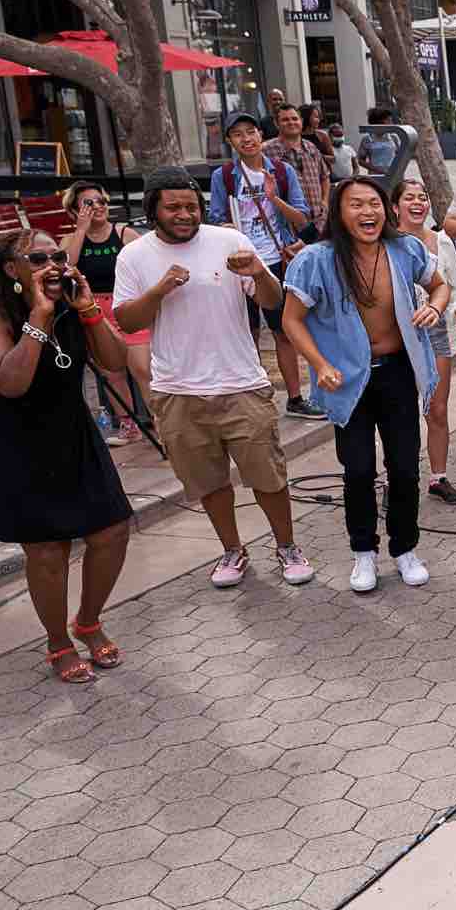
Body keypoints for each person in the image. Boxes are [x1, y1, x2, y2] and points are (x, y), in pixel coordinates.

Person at [112, 168, 316, 589]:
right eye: (173, 207)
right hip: (177, 392)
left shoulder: (229, 241)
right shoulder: (134, 257)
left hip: (241, 383)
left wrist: (259, 272)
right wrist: (159, 290)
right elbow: (126, 320)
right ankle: (232, 550)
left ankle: (287, 547)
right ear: (153, 209)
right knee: (209, 483)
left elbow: (273, 300)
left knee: (268, 476)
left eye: (190, 206)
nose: (184, 214)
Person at [0, 231, 134, 682]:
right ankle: (57, 642)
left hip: (72, 431)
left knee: (112, 531)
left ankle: (88, 621)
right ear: (12, 269)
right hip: (18, 441)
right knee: (48, 548)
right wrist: (39, 316)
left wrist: (89, 309)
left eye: (57, 255)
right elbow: (9, 382)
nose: (52, 265)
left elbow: (114, 361)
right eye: (37, 258)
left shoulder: (73, 302)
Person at [282, 176, 448, 593]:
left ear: (387, 209)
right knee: (357, 470)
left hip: (397, 373)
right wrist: (319, 364)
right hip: (346, 379)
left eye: (374, 203)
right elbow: (291, 320)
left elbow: (440, 285)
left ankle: (405, 549)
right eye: (356, 205)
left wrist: (435, 307)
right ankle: (363, 553)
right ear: (339, 212)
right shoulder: (316, 259)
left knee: (406, 467)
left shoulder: (406, 248)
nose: (367, 212)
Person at [207, 110, 323, 420]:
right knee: (247, 331)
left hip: (276, 261)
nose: (246, 139)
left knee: (284, 330)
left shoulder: (281, 172)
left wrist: (274, 198)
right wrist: (227, 230)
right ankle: (254, 395)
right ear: (231, 141)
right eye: (238, 134)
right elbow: (216, 216)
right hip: (240, 262)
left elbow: (302, 218)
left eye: (251, 132)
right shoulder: (225, 176)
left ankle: (296, 398)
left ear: (261, 136)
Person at [392, 179, 456, 506]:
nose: (417, 203)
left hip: (435, 333)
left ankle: (438, 478)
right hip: (395, 337)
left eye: (422, 197)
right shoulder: (384, 243)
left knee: (436, 409)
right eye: (409, 197)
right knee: (399, 413)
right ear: (395, 207)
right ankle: (398, 479)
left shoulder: (442, 241)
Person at [61, 181, 149, 446]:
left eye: (100, 201)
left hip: (126, 305)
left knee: (142, 368)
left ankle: (162, 421)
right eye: (88, 203)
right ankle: (127, 424)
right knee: (112, 372)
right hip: (95, 309)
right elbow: (67, 267)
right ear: (75, 211)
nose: (97, 207)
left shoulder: (125, 234)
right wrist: (81, 231)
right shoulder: (71, 239)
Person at [265, 102, 333, 220]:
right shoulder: (266, 151)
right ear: (276, 124)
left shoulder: (311, 148)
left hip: (318, 219)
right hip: (288, 222)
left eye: (294, 118)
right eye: (285, 120)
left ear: (301, 121)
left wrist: (325, 202)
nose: (291, 122)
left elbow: (325, 176)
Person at [360, 106, 399, 175]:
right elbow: (360, 160)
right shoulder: (367, 139)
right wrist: (377, 169)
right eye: (389, 120)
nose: (391, 123)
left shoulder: (393, 137)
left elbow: (400, 156)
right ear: (379, 122)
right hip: (375, 175)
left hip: (392, 174)